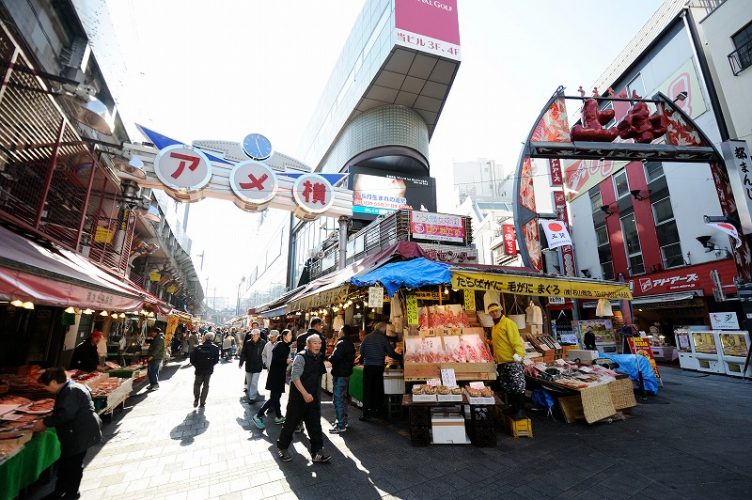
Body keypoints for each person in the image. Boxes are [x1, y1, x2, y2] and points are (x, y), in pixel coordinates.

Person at [32, 367, 102, 499]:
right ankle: (61, 491)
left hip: (78, 433)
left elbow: (66, 414)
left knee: (73, 465)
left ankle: (71, 493)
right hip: (80, 431)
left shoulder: (70, 390)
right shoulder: (72, 387)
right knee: (68, 464)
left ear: (53, 382)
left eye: (45, 386)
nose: (46, 390)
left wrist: (45, 422)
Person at [276, 334, 330, 463]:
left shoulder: (318, 357)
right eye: (315, 343)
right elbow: (295, 378)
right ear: (308, 344)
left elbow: (318, 375)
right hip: (298, 399)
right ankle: (282, 448)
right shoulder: (300, 357)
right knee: (290, 425)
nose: (318, 345)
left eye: (320, 343)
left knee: (315, 426)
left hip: (312, 399)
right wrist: (305, 394)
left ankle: (316, 452)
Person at [487, 303, 526, 420]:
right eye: (492, 312)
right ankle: (513, 407)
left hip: (512, 361)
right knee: (508, 386)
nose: (494, 313)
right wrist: (488, 342)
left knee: (517, 386)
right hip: (501, 362)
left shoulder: (508, 323)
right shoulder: (494, 326)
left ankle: (520, 410)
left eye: (496, 311)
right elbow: (498, 343)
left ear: (500, 310)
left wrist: (519, 357)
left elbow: (516, 341)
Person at [358, 321, 402, 421]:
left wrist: (364, 359)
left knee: (367, 390)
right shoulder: (383, 338)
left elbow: (361, 351)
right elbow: (391, 353)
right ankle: (377, 412)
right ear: (383, 329)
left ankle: (366, 414)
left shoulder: (367, 337)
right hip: (378, 367)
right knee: (377, 389)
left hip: (368, 366)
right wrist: (401, 357)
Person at [254, 329, 293, 429]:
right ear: (284, 336)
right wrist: (286, 361)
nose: (291, 336)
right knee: (274, 398)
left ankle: (279, 416)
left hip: (279, 375)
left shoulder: (285, 346)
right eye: (290, 335)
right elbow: (275, 359)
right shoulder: (280, 345)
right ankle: (258, 415)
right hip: (275, 375)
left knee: (277, 396)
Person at [328, 325, 356, 433]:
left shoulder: (342, 343)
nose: (338, 332)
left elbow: (335, 357)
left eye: (340, 330)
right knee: (343, 399)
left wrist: (330, 358)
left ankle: (340, 425)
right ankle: (343, 421)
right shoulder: (350, 343)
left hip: (340, 374)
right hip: (345, 374)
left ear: (343, 332)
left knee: (338, 399)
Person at [190, 332, 220, 408]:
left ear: (205, 338)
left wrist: (196, 365)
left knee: (197, 384)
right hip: (208, 370)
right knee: (206, 386)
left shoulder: (198, 347)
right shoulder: (215, 348)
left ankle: (196, 399)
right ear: (212, 338)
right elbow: (216, 360)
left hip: (199, 369)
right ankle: (202, 401)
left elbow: (192, 359)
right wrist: (211, 365)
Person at [239, 329, 266, 402]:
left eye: (254, 335)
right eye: (252, 335)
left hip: (258, 365)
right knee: (249, 382)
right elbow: (244, 353)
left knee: (254, 382)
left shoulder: (263, 342)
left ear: (258, 335)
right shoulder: (248, 342)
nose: (253, 336)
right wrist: (241, 362)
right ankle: (251, 394)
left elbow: (265, 353)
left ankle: (252, 397)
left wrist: (265, 363)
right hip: (249, 365)